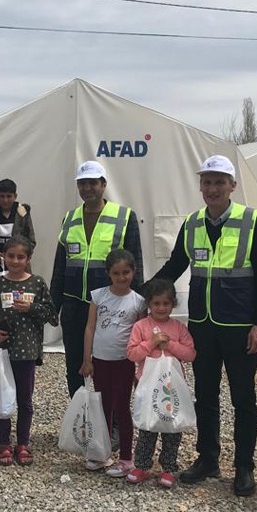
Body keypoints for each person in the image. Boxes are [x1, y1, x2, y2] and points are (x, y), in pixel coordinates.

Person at [151, 154, 257, 497]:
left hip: (239, 326)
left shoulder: (250, 220)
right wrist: (140, 293)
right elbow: (175, 265)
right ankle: (208, 458)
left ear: (232, 186)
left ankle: (244, 466)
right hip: (203, 325)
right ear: (200, 186)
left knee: (243, 398)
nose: (213, 188)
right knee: (205, 395)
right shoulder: (192, 224)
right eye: (207, 182)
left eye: (220, 182)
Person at [50, 160, 143, 399]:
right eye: (82, 184)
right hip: (74, 304)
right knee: (74, 364)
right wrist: (53, 305)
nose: (87, 188)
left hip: (110, 306)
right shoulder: (70, 218)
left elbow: (136, 264)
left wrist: (139, 307)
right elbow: (60, 265)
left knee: (108, 364)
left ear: (103, 184)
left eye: (92, 183)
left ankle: (109, 415)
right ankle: (79, 413)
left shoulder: (124, 217)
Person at [0, 236, 58, 466]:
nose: (15, 261)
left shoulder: (37, 283)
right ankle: (4, 442)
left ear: (28, 259)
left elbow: (52, 316)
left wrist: (31, 308)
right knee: (2, 397)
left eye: (20, 257)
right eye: (11, 256)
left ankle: (23, 442)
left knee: (25, 399)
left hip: (27, 352)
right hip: (2, 352)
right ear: (3, 256)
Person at [79, 249, 146, 477]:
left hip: (123, 362)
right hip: (100, 360)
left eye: (126, 272)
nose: (121, 277)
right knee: (103, 407)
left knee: (122, 407)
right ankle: (102, 452)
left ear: (133, 272)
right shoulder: (98, 296)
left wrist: (140, 367)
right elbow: (90, 327)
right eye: (116, 273)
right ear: (108, 273)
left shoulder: (138, 302)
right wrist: (87, 359)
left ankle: (126, 458)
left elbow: (141, 335)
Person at [125, 279, 196, 488]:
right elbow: (132, 354)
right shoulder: (141, 327)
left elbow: (190, 354)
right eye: (156, 303)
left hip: (171, 386)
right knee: (148, 424)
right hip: (147, 384)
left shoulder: (178, 328)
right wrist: (151, 343)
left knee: (171, 426)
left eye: (166, 303)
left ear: (173, 303)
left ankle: (169, 467)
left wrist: (170, 345)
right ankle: (142, 465)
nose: (161, 308)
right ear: (149, 303)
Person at [0, 179, 36, 285]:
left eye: (9, 196)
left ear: (15, 196)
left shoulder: (23, 215)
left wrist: (18, 255)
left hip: (18, 265)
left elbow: (31, 241)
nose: (5, 200)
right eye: (2, 196)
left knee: (20, 292)